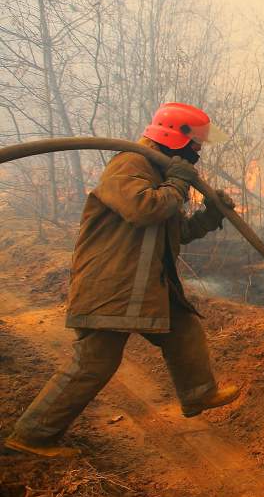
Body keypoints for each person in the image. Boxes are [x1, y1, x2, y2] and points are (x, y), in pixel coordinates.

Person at [4, 102, 240, 458]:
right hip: (112, 285)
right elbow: (145, 210)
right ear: (176, 135)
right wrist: (177, 183)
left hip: (144, 285)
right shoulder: (130, 164)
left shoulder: (160, 172)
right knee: (94, 363)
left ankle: (198, 392)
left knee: (184, 327)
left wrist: (210, 215)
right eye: (196, 143)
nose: (199, 151)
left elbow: (175, 232)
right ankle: (32, 435)